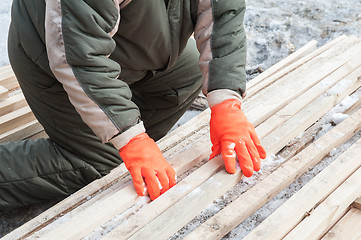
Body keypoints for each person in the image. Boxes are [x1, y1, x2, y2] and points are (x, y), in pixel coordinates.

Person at [0, 0, 266, 209]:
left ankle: (115, 132)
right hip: (56, 60)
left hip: (137, 52)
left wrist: (226, 105)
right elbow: (80, 58)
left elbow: (222, 16)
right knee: (99, 161)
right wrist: (130, 139)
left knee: (190, 75)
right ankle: (98, 147)